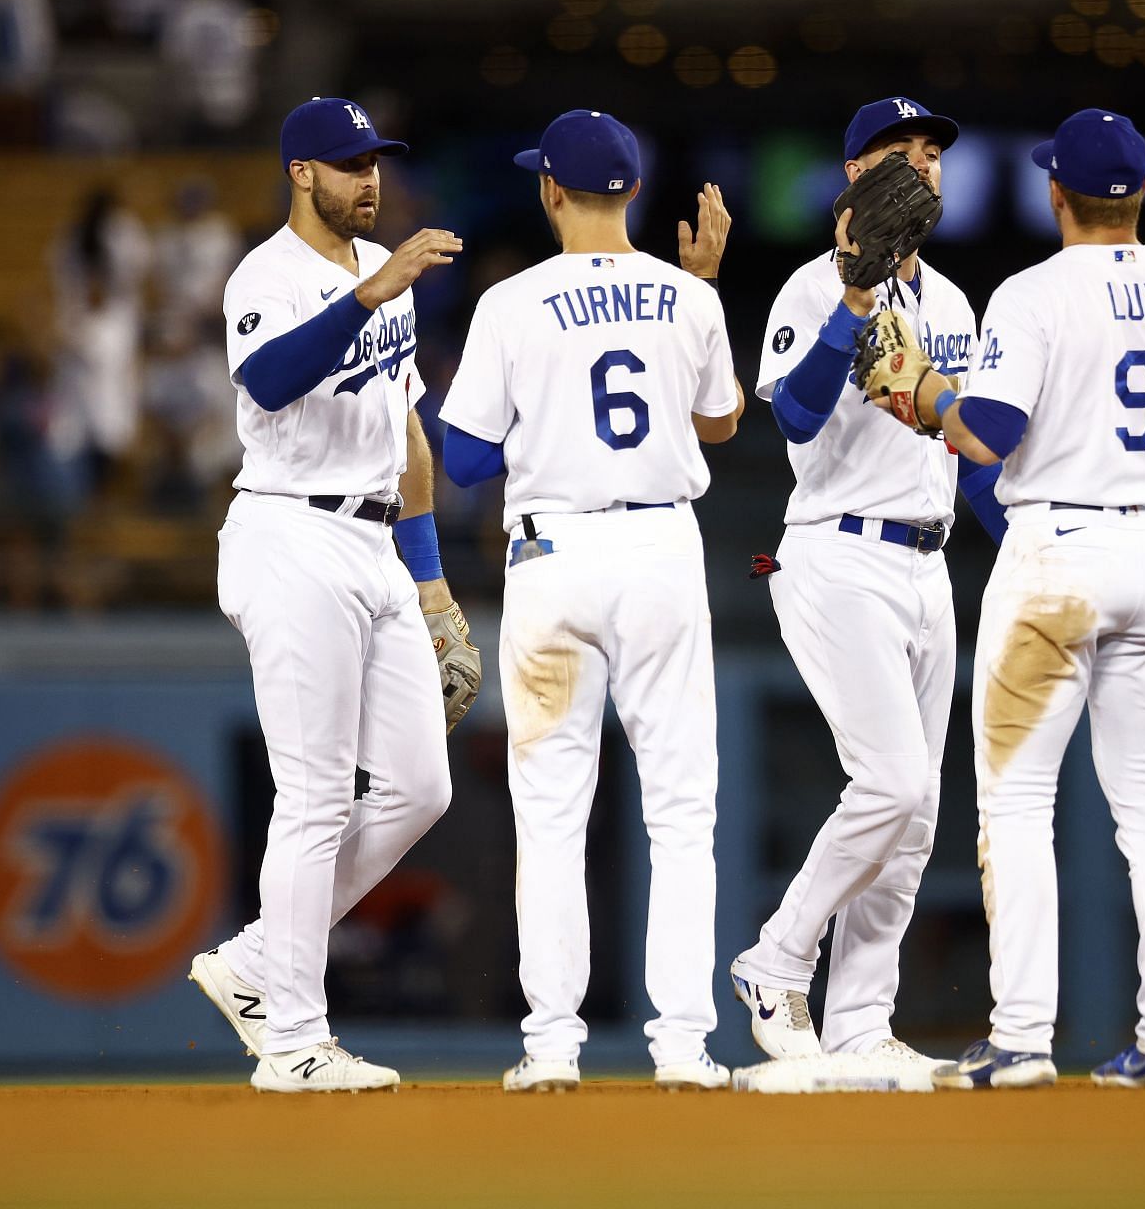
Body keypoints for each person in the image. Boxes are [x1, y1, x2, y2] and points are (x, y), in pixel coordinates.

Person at [863, 108, 1145, 1088]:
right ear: (1138, 196)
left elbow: (987, 432)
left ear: (1056, 192)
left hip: (1059, 552)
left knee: (1015, 800)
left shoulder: (1032, 292)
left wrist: (923, 395)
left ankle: (1020, 1039)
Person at [440, 109, 745, 1092]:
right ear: (636, 192)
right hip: (659, 546)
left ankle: (552, 1045)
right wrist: (693, 300)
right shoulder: (687, 294)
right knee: (683, 811)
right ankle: (686, 1047)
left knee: (552, 812)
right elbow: (723, 420)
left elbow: (465, 457)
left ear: (549, 189)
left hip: (554, 554)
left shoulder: (513, 302)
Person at [185, 97, 482, 1093]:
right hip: (288, 528)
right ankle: (295, 1039)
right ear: (302, 173)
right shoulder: (266, 273)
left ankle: (262, 960)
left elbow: (409, 438)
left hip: (375, 543)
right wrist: (368, 295)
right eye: (351, 163)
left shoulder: (382, 277)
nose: (372, 178)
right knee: (313, 794)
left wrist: (434, 582)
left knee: (420, 786)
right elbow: (267, 380)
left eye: (378, 161)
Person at [729, 97, 1003, 1090]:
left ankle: (858, 1024)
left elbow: (971, 462)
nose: (926, 165)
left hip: (928, 564)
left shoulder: (955, 301)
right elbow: (797, 420)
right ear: (854, 175)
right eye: (904, 152)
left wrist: (1021, 554)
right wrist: (852, 298)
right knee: (889, 782)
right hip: (836, 556)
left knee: (917, 812)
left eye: (935, 150)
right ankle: (775, 960)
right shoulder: (810, 287)